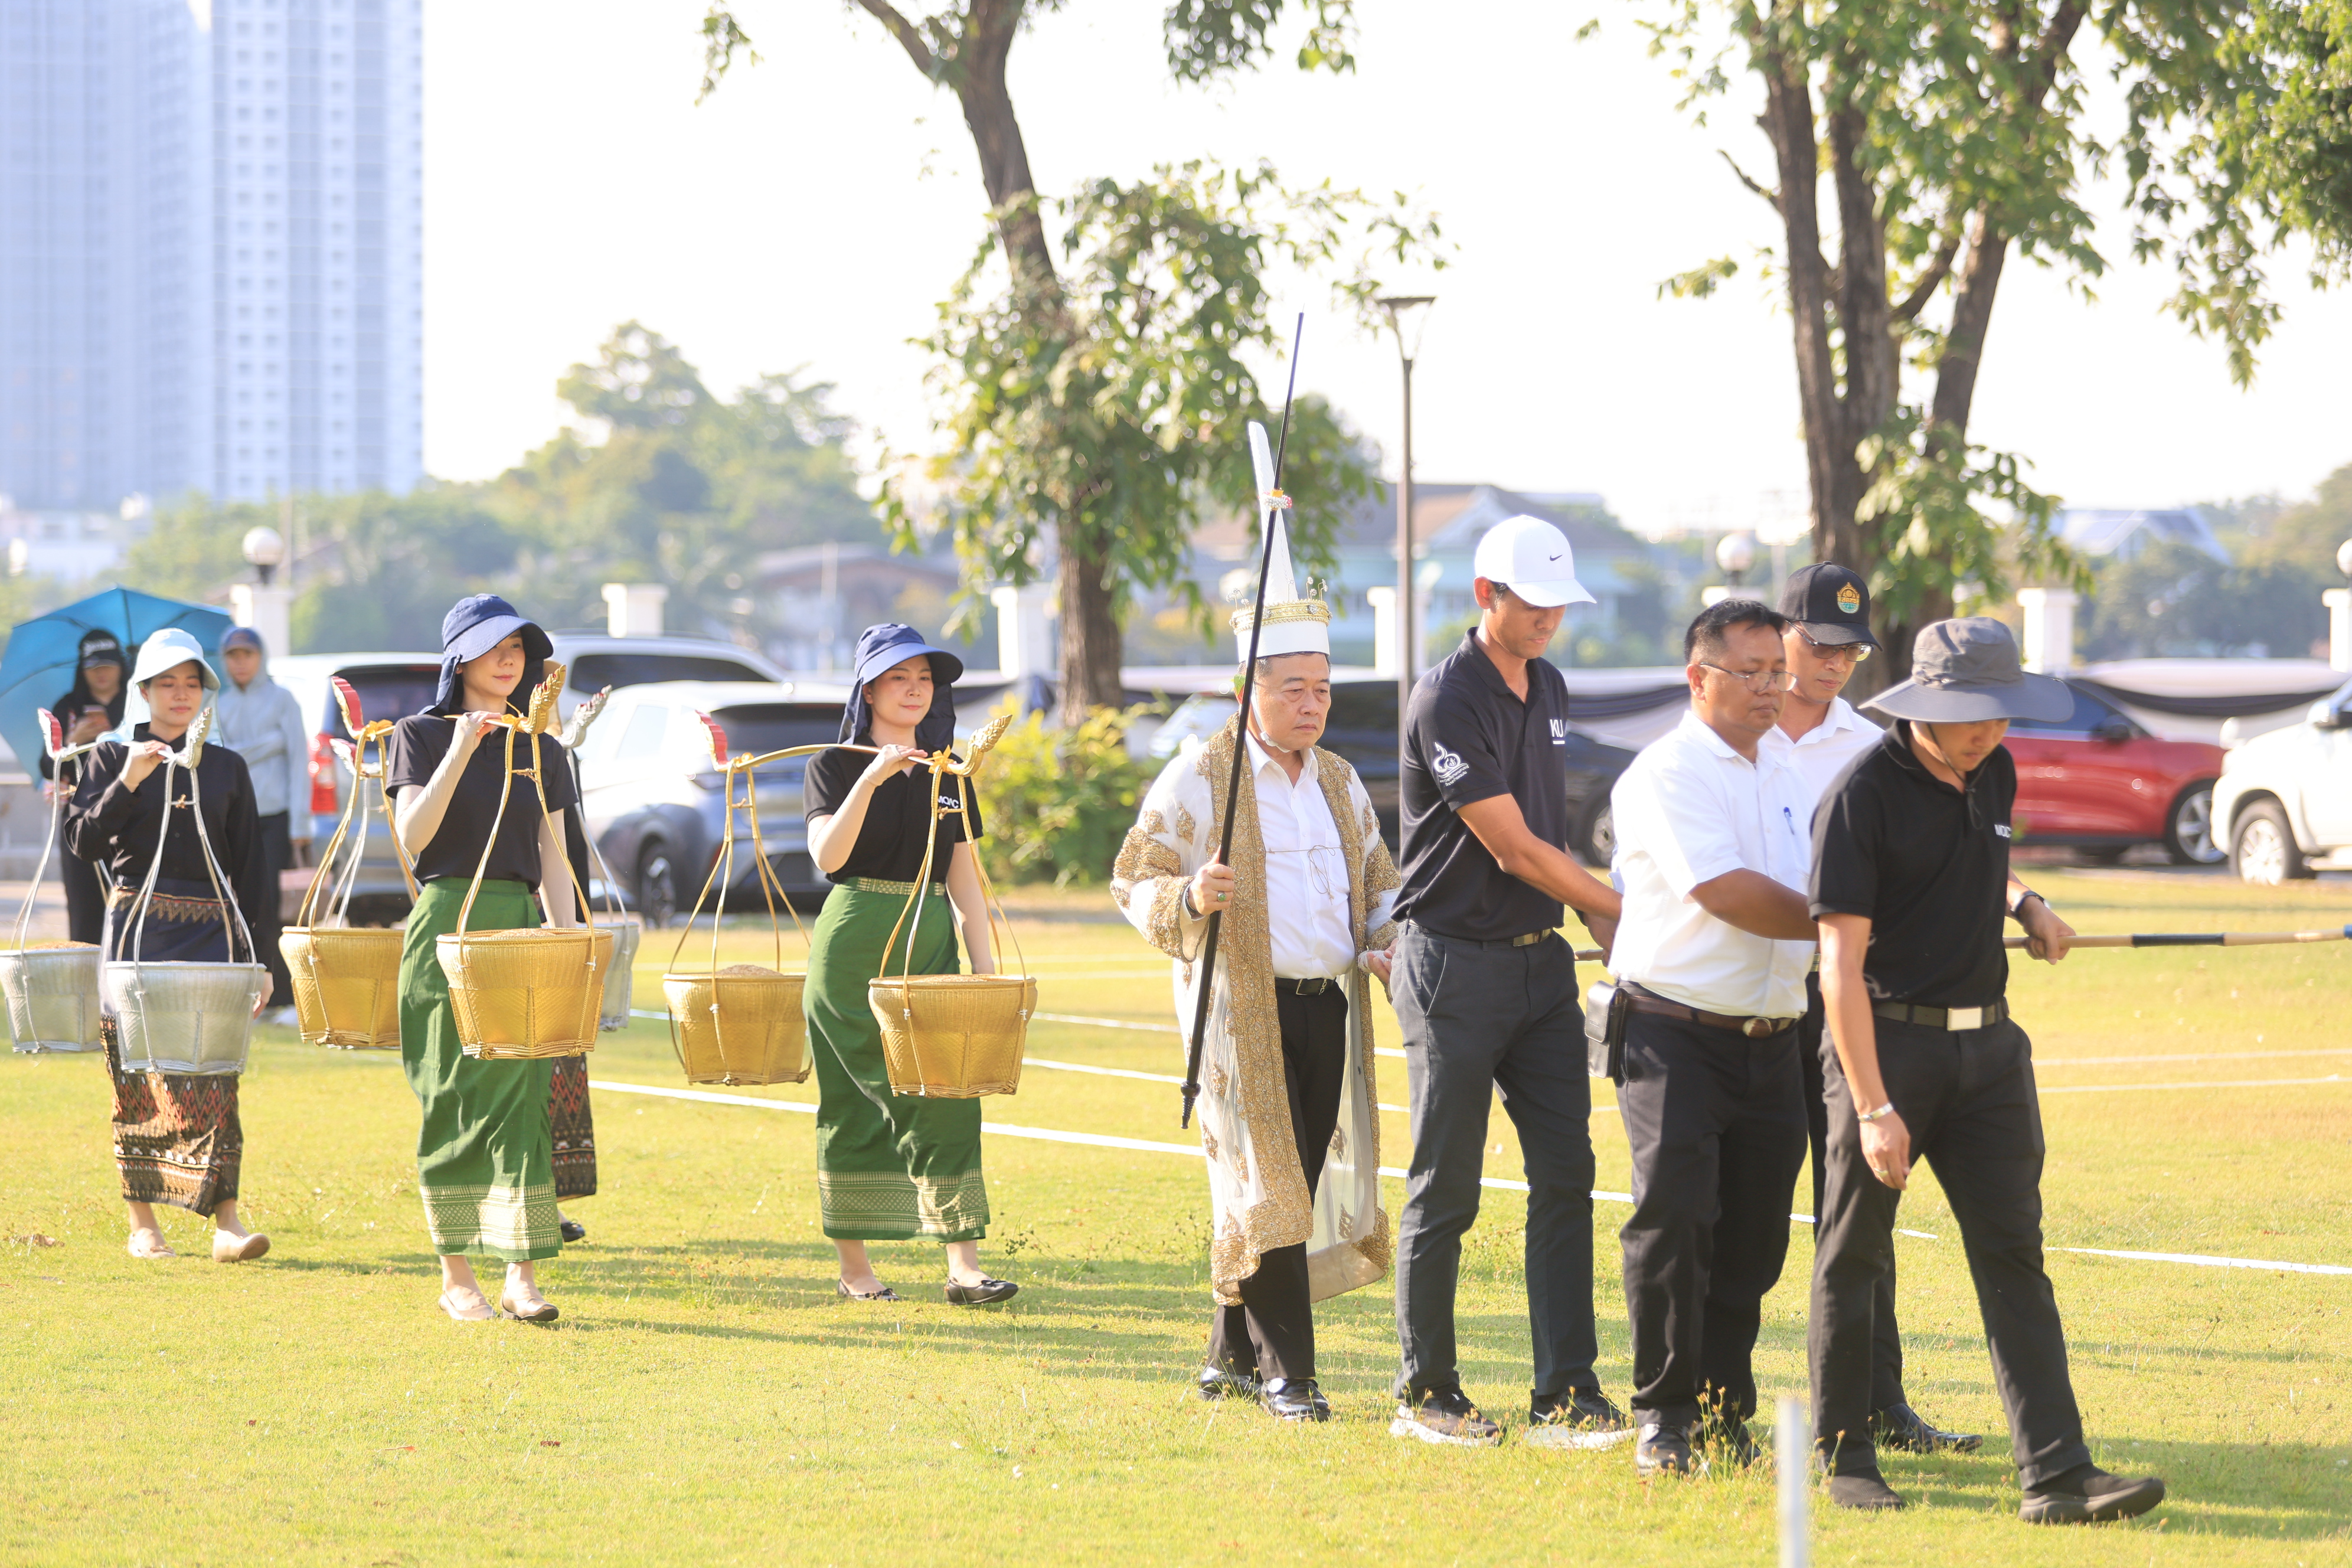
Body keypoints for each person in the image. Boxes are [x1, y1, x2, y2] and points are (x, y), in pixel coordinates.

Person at [1808, 618, 2166, 1523]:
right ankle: (1846, 1459)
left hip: (1993, 1054)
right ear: (1924, 705)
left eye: (2001, 712)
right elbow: (1838, 968)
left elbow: (1974, 863)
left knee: (2015, 1256)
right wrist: (1873, 1107)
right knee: (1853, 1255)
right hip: (1890, 1049)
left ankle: (2057, 1474)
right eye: (1973, 713)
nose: (1990, 730)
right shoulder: (1859, 797)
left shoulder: (1993, 770)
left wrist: (2027, 902)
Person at [1111, 523, 1400, 1422]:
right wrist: (1191, 896)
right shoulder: (1202, 777)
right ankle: (1291, 1377)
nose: (1312, 705)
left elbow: (1380, 884)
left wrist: (1388, 942)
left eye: (1323, 689)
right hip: (1241, 1016)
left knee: (1290, 1186)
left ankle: (1229, 1356)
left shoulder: (1340, 780)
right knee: (1271, 1189)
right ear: (1248, 691)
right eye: (1293, 689)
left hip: (1327, 1008)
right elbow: (1134, 878)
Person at [1389, 514, 1628, 1448]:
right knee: (1446, 1187)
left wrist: (1592, 918)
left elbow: (1545, 831)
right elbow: (1513, 846)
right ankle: (1427, 1395)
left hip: (1540, 968)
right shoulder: (1444, 698)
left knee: (1567, 1175)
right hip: (1451, 966)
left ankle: (1566, 1394)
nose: (1550, 619)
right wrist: (1612, 908)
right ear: (1486, 595)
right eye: (1534, 603)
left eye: (1561, 604)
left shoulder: (1550, 683)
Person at [1605, 599, 1815, 1475]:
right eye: (1751, 672)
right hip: (1674, 1033)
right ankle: (1664, 1415)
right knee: (1675, 1225)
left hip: (1776, 1037)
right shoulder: (1667, 772)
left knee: (1755, 1237)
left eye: (1779, 672)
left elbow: (1830, 871)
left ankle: (1725, 1410)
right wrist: (1846, 924)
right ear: (1699, 677)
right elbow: (1723, 891)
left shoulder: (1790, 768)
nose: (1771, 688)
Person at [1774, 564, 1977, 1456]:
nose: (1834, 663)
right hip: (1741, 1004)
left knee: (1860, 1214)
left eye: (1850, 651)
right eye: (1819, 643)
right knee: (1740, 1219)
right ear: (1782, 634)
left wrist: (2019, 901)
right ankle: (1708, 1406)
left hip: (1844, 1005)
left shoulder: (1871, 748)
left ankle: (1880, 1403)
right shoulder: (1730, 732)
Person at [803, 623, 1015, 1306]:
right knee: (854, 1106)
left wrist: (985, 973)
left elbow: (966, 883)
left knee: (948, 1094)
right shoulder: (833, 765)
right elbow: (828, 857)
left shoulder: (951, 774)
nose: (915, 689)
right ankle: (856, 1271)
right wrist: (873, 777)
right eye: (899, 678)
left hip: (929, 949)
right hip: (852, 948)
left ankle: (965, 1267)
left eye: (925, 678)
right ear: (868, 690)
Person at [387, 594, 580, 1325]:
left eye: (519, 648)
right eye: (495, 647)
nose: (509, 659)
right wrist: (462, 748)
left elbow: (555, 854)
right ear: (458, 658)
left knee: (525, 1100)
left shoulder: (544, 748)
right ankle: (456, 1274)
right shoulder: (418, 735)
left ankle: (521, 1275)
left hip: (521, 926)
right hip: (445, 922)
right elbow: (413, 838)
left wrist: (568, 942)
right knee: (452, 1093)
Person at [65, 628, 272, 1263]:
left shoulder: (228, 767)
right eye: (166, 684)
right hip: (135, 930)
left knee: (215, 1076)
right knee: (135, 1075)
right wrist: (129, 779)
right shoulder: (109, 758)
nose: (180, 695)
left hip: (213, 933)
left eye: (191, 683)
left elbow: (252, 870)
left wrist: (259, 960)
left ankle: (227, 1223)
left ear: (205, 692)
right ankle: (143, 1224)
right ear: (144, 691)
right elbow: (83, 842)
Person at [213, 626, 312, 1011]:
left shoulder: (282, 700)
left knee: (272, 906)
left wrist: (300, 824)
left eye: (247, 654)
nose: (240, 663)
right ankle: (238, 986)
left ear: (261, 657)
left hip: (275, 817)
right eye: (233, 655)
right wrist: (269, 744)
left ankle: (282, 996)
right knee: (232, 902)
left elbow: (299, 759)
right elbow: (217, 759)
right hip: (231, 818)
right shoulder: (219, 705)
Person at [45, 630, 129, 946]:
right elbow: (48, 766)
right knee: (85, 910)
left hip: (133, 818)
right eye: (93, 667)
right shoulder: (68, 707)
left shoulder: (140, 701)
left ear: (122, 665)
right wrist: (72, 742)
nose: (101, 673)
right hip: (82, 821)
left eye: (108, 665)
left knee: (133, 909)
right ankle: (86, 975)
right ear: (82, 669)